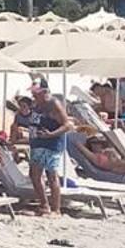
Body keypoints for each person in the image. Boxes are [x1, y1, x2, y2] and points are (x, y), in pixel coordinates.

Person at [13, 82, 75, 215]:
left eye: (36, 92)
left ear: (44, 91)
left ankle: (56, 209)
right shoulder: (37, 104)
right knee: (35, 175)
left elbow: (68, 125)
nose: (33, 94)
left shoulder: (53, 104)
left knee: (51, 175)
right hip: (38, 144)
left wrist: (51, 134)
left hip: (50, 144)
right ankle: (44, 205)